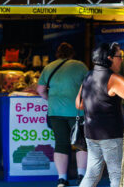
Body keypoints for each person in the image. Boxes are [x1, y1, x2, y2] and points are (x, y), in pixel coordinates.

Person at [37, 43, 89, 187]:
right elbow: (89, 86)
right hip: (77, 112)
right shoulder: (80, 66)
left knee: (61, 144)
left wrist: (50, 99)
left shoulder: (49, 67)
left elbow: (40, 89)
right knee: (80, 144)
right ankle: (81, 177)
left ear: (57, 54)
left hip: (55, 112)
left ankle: (61, 179)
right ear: (72, 53)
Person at [76, 43, 124, 187]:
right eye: (119, 57)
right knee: (117, 174)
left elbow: (78, 104)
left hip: (91, 132)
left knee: (91, 174)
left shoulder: (88, 75)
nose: (121, 60)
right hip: (111, 134)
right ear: (109, 58)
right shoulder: (114, 79)